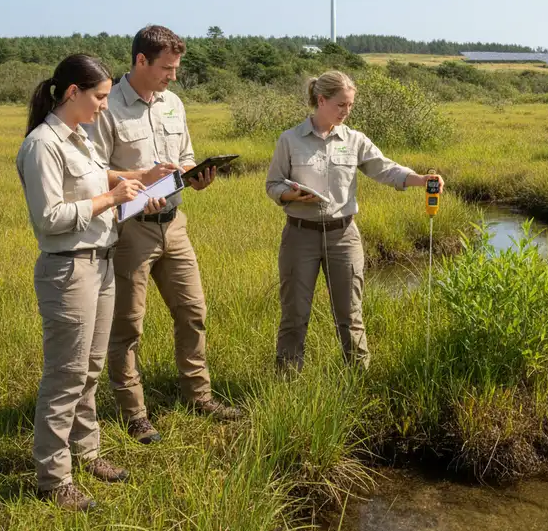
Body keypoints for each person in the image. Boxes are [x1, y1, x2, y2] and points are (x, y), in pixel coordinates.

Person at [93, 24, 241, 445]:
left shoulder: (173, 104)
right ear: (141, 61)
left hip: (174, 225)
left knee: (193, 312)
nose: (173, 77)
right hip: (130, 229)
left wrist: (196, 175)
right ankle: (134, 414)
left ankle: (199, 397)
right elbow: (92, 172)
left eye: (176, 69)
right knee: (128, 325)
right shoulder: (106, 106)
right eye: (166, 68)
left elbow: (185, 157)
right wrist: (142, 176)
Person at [17, 54, 153, 511]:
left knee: (90, 368)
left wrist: (141, 182)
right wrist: (111, 198)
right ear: (73, 92)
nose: (104, 105)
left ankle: (87, 452)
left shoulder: (83, 137)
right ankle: (54, 479)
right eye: (99, 96)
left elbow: (100, 180)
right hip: (68, 271)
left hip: (101, 265)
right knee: (66, 375)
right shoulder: (42, 145)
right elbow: (50, 217)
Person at [265, 70, 445, 372]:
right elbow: (273, 184)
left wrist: (420, 179)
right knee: (294, 314)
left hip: (343, 236)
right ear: (321, 100)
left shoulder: (354, 140)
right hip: (300, 236)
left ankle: (358, 377)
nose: (346, 111)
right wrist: (290, 195)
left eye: (350, 105)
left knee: (350, 314)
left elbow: (385, 169)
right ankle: (287, 381)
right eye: (341, 105)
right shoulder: (290, 140)